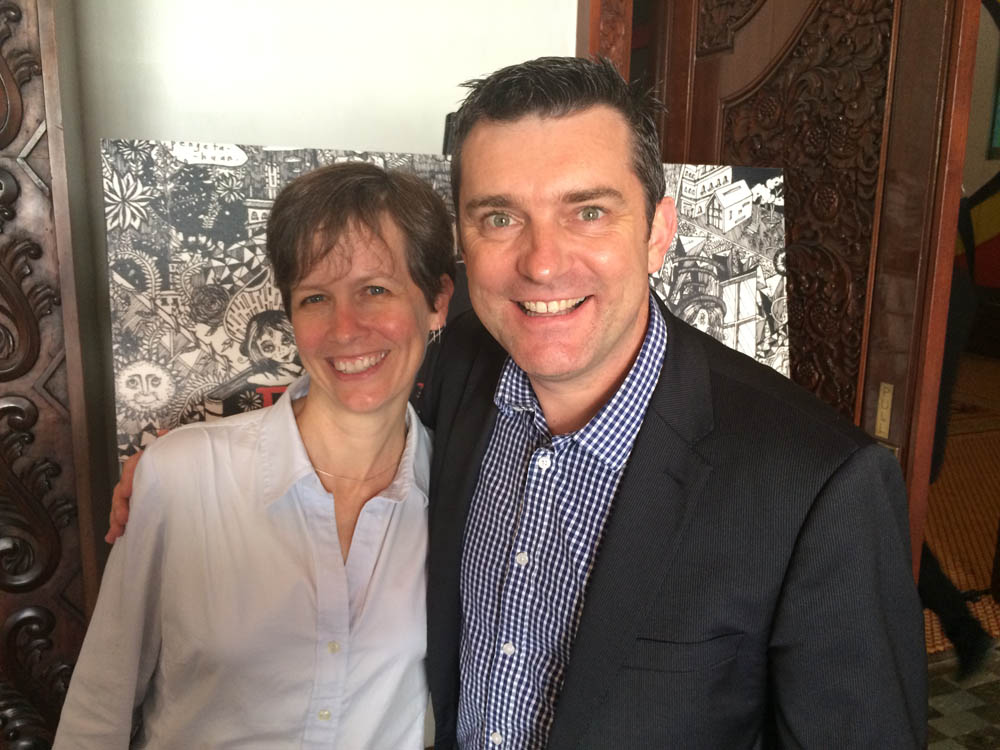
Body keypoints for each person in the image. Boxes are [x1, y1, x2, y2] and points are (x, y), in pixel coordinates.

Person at [109, 57, 927, 748]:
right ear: (463, 246)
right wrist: (190, 469)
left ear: (658, 231)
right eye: (500, 218)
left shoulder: (820, 486)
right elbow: (355, 385)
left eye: (588, 211)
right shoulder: (460, 364)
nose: (541, 263)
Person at [58, 162, 454, 748]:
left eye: (376, 289)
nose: (346, 328)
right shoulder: (182, 476)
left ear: (437, 301)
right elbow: (99, 707)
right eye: (315, 297)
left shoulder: (463, 494)